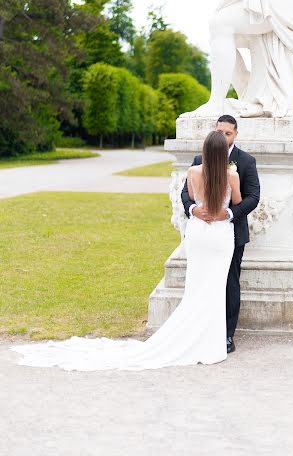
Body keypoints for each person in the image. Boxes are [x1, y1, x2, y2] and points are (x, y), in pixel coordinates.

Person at [10, 130, 244, 371]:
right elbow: (237, 203)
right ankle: (209, 344)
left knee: (195, 288)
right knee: (215, 290)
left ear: (205, 150)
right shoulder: (232, 176)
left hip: (199, 235)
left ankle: (194, 339)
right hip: (219, 236)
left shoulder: (193, 172)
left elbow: (192, 197)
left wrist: (198, 209)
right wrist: (220, 211)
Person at [181, 115, 260, 354]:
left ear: (236, 134)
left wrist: (227, 214)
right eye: (220, 132)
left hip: (231, 231)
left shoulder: (246, 162)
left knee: (229, 283)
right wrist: (194, 209)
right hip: (204, 230)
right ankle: (199, 331)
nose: (224, 136)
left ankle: (226, 334)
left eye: (228, 133)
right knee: (201, 280)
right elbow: (186, 195)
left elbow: (253, 197)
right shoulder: (197, 162)